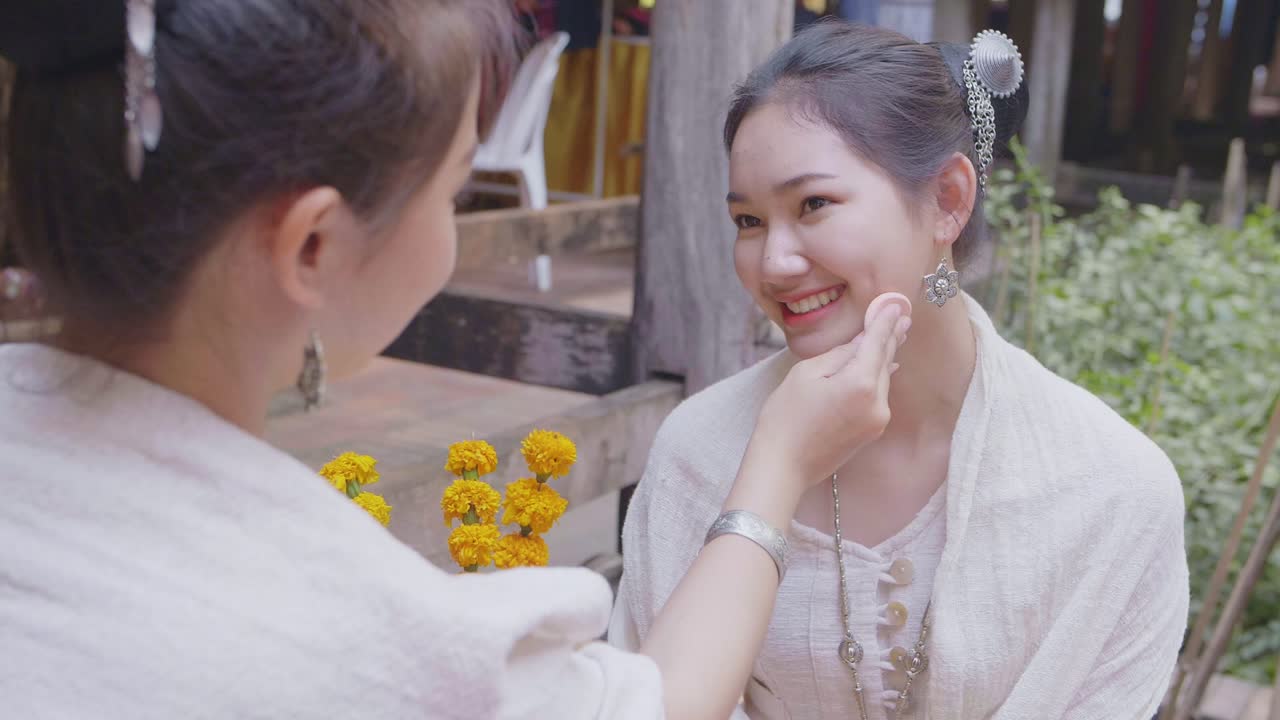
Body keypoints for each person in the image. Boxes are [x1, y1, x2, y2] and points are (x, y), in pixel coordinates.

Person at [0, 2, 910, 718]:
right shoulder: (355, 639)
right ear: (312, 246)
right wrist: (783, 459)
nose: (775, 259)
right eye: (454, 190)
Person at [609, 21, 1189, 720]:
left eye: (813, 204)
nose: (773, 264)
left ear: (947, 199)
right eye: (749, 221)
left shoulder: (1112, 491)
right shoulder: (696, 456)